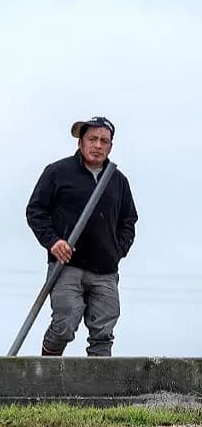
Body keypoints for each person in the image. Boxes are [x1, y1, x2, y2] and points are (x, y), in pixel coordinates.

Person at [26, 116, 138, 357]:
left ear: (110, 146)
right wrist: (53, 241)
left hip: (105, 270)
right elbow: (35, 211)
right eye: (92, 139)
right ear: (81, 143)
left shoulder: (118, 181)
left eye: (104, 141)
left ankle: (98, 388)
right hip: (67, 265)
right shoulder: (57, 172)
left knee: (103, 332)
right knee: (64, 325)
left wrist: (117, 250)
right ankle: (48, 378)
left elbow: (129, 221)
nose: (98, 145)